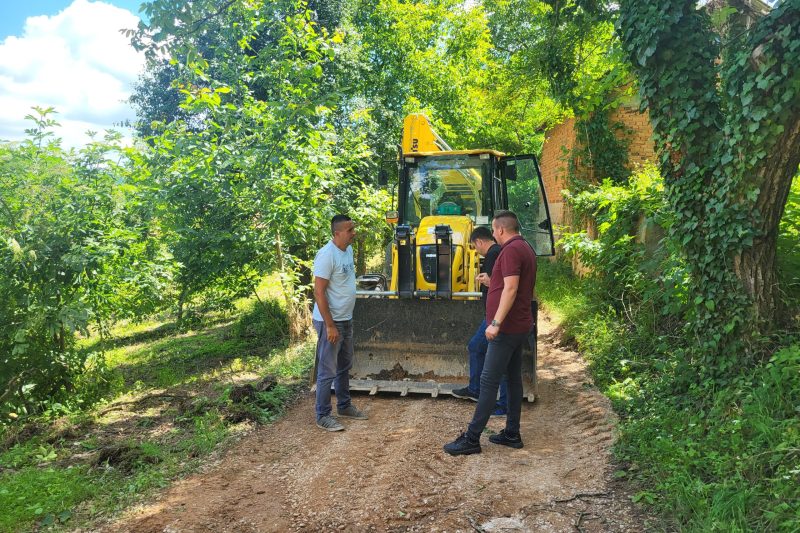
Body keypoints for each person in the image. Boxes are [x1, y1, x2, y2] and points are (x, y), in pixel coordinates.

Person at [444, 210, 537, 455]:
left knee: (488, 382)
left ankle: (472, 439)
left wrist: (495, 323)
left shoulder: (511, 251)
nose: (494, 234)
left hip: (506, 328)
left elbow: (511, 289)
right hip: (519, 324)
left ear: (501, 230)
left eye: (495, 230)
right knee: (513, 379)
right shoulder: (525, 247)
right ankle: (511, 433)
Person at [312, 214, 369, 431]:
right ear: (337, 233)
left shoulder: (348, 250)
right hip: (331, 322)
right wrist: (329, 325)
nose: (354, 233)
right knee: (327, 370)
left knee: (344, 366)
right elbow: (318, 292)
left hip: (346, 319)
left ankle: (344, 405)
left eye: (353, 228)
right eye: (349, 230)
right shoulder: (327, 255)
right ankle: (322, 415)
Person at [451, 226, 508, 416]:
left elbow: (500, 283)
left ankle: (487, 395)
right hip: (495, 314)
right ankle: (480, 391)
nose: (476, 251)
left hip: (496, 316)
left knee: (479, 348)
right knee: (482, 350)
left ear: (479, 242)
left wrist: (487, 281)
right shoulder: (499, 252)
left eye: (475, 247)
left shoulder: (493, 254)